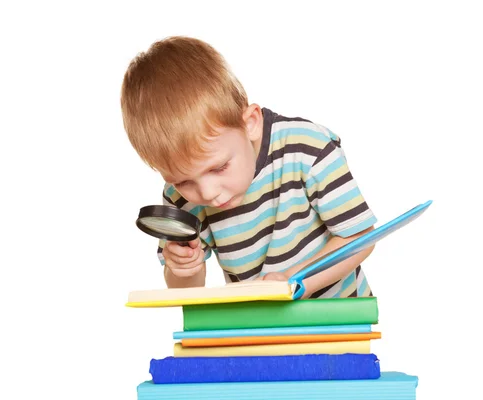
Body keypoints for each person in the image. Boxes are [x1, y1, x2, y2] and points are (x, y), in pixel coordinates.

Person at [120, 36, 377, 299]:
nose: (208, 193)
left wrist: (295, 281)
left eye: (219, 167)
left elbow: (360, 237)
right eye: (183, 181)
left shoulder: (307, 148)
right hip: (256, 331)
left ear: (250, 123)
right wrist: (183, 270)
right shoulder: (178, 196)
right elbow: (185, 292)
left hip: (339, 323)